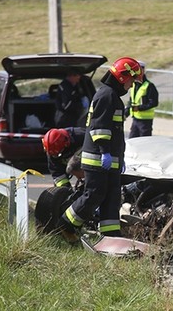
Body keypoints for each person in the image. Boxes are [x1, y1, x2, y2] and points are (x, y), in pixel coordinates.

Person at [60, 57, 142, 241]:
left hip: (110, 159)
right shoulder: (107, 96)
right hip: (98, 158)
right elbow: (100, 128)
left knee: (112, 198)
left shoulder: (112, 96)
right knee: (94, 194)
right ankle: (67, 224)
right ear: (122, 78)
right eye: (131, 80)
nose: (131, 85)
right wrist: (105, 152)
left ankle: (110, 235)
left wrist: (118, 158)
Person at [127, 61, 159, 138]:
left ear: (143, 70)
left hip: (145, 121)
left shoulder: (149, 86)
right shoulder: (133, 85)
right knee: (132, 141)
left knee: (144, 143)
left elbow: (154, 102)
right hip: (135, 119)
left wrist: (139, 108)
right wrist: (125, 114)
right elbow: (131, 101)